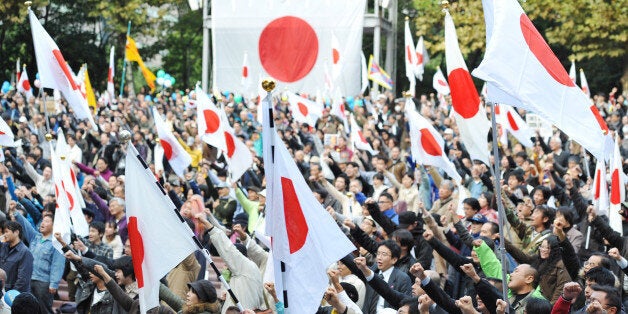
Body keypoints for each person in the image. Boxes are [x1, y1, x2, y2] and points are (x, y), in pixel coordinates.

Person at [13, 211, 64, 313]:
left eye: (46, 221)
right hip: (29, 279)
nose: (42, 223)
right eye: (42, 221)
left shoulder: (56, 243)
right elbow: (26, 226)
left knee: (43, 309)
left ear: (54, 225)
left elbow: (57, 264)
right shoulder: (35, 237)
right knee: (27, 309)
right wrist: (17, 213)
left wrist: (54, 283)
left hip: (44, 283)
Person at [0, 221, 33, 292]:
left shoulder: (25, 252)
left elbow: (23, 279)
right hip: (2, 290)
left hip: (14, 293)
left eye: (7, 231)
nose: (4, 235)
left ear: (16, 232)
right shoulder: (3, 246)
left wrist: (12, 294)